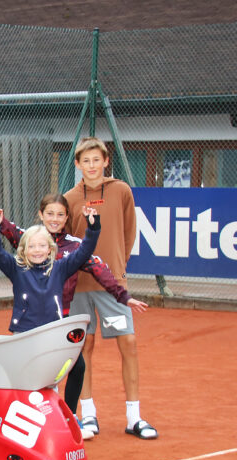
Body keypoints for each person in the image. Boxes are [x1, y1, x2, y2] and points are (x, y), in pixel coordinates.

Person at [0, 184, 148, 424]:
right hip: (26, 329)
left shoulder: (66, 257)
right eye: (50, 213)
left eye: (60, 214)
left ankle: (67, 417)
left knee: (69, 370)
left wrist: (123, 295)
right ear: (40, 215)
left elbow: (92, 260)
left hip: (58, 323)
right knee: (28, 376)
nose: (37, 249)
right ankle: (26, 421)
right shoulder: (23, 253)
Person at [63, 137, 158, 440]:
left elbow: (129, 232)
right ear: (77, 164)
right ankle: (88, 415)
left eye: (96, 160)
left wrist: (116, 269)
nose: (91, 166)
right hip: (79, 288)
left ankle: (134, 417)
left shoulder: (121, 191)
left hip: (112, 286)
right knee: (84, 347)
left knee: (128, 342)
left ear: (105, 161)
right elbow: (66, 243)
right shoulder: (69, 198)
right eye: (85, 161)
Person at [0, 207, 100, 333]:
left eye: (42, 245)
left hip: (53, 328)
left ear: (49, 249)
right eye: (31, 246)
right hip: (23, 330)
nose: (37, 250)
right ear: (23, 249)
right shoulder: (16, 268)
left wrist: (93, 227)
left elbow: (83, 252)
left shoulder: (59, 268)